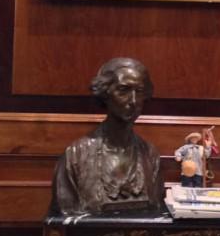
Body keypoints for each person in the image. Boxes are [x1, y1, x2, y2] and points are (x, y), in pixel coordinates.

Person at [50, 57, 165, 215]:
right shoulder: (76, 155)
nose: (133, 101)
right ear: (105, 94)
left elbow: (156, 214)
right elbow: (64, 219)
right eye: (123, 90)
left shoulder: (150, 155)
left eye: (139, 92)